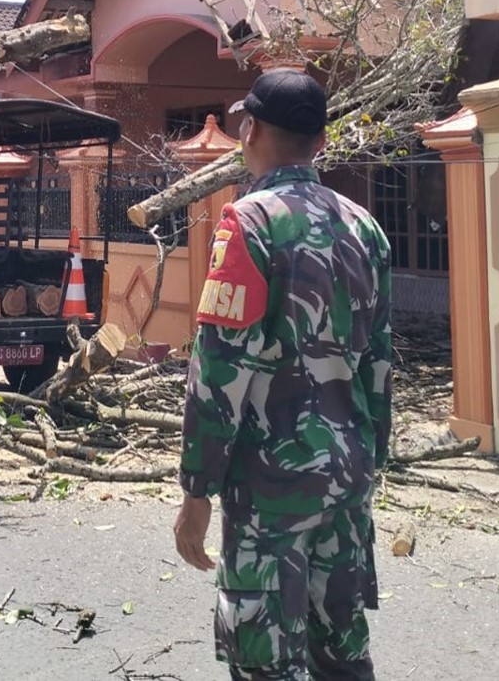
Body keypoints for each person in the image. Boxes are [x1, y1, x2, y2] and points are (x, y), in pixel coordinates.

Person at [175, 68, 392, 681]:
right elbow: (379, 361)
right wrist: (371, 460)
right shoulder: (365, 227)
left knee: (265, 659)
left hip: (271, 481)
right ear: (321, 142)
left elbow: (221, 369)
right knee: (342, 650)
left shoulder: (249, 223)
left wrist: (196, 489)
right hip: (348, 473)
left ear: (251, 130)